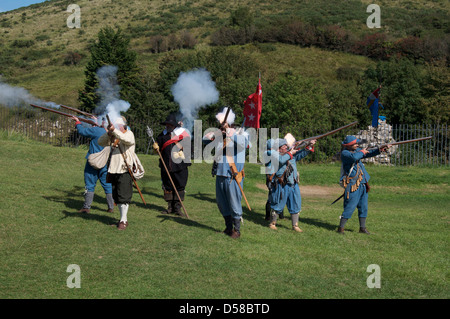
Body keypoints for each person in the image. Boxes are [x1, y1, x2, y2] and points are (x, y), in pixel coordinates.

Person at [203, 108, 249, 239]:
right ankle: (228, 228)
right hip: (220, 173)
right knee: (222, 203)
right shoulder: (221, 135)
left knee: (234, 203)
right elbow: (204, 140)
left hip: (233, 175)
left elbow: (243, 144)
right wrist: (216, 133)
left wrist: (229, 132)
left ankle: (237, 230)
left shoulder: (241, 133)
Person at [338, 135, 391, 234]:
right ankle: (341, 228)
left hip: (362, 183)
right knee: (350, 206)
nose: (357, 145)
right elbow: (354, 157)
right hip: (353, 184)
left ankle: (362, 228)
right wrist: (362, 152)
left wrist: (380, 149)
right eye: (355, 144)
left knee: (363, 207)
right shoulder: (345, 153)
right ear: (349, 145)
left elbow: (368, 153)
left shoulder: (357, 150)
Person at [265, 135, 316, 232]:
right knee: (278, 203)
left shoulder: (289, 154)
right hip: (282, 184)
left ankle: (295, 225)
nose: (285, 147)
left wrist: (309, 146)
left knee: (296, 203)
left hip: (293, 183)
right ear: (278, 148)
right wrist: (290, 153)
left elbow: (300, 154)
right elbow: (281, 160)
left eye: (285, 145)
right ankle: (272, 223)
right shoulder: (274, 154)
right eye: (283, 146)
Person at [98, 116, 136, 230]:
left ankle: (123, 220)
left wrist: (114, 131)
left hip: (124, 169)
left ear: (123, 126)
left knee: (124, 196)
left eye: (119, 126)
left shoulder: (129, 134)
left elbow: (127, 140)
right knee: (117, 196)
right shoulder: (115, 135)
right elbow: (100, 142)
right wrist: (109, 133)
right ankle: (121, 219)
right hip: (113, 169)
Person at [71, 116, 114, 214]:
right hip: (105, 163)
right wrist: (95, 122)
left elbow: (82, 131)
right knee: (107, 185)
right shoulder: (112, 133)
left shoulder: (96, 131)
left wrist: (78, 122)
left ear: (103, 122)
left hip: (93, 162)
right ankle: (111, 207)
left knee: (90, 185)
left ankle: (86, 207)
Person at [152, 113, 191, 217]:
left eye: (170, 125)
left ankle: (178, 208)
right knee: (168, 186)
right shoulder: (162, 135)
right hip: (166, 165)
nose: (168, 126)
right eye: (167, 125)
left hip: (180, 165)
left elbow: (189, 147)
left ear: (174, 126)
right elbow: (158, 148)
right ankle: (170, 207)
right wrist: (156, 148)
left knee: (179, 185)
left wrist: (182, 148)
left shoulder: (182, 135)